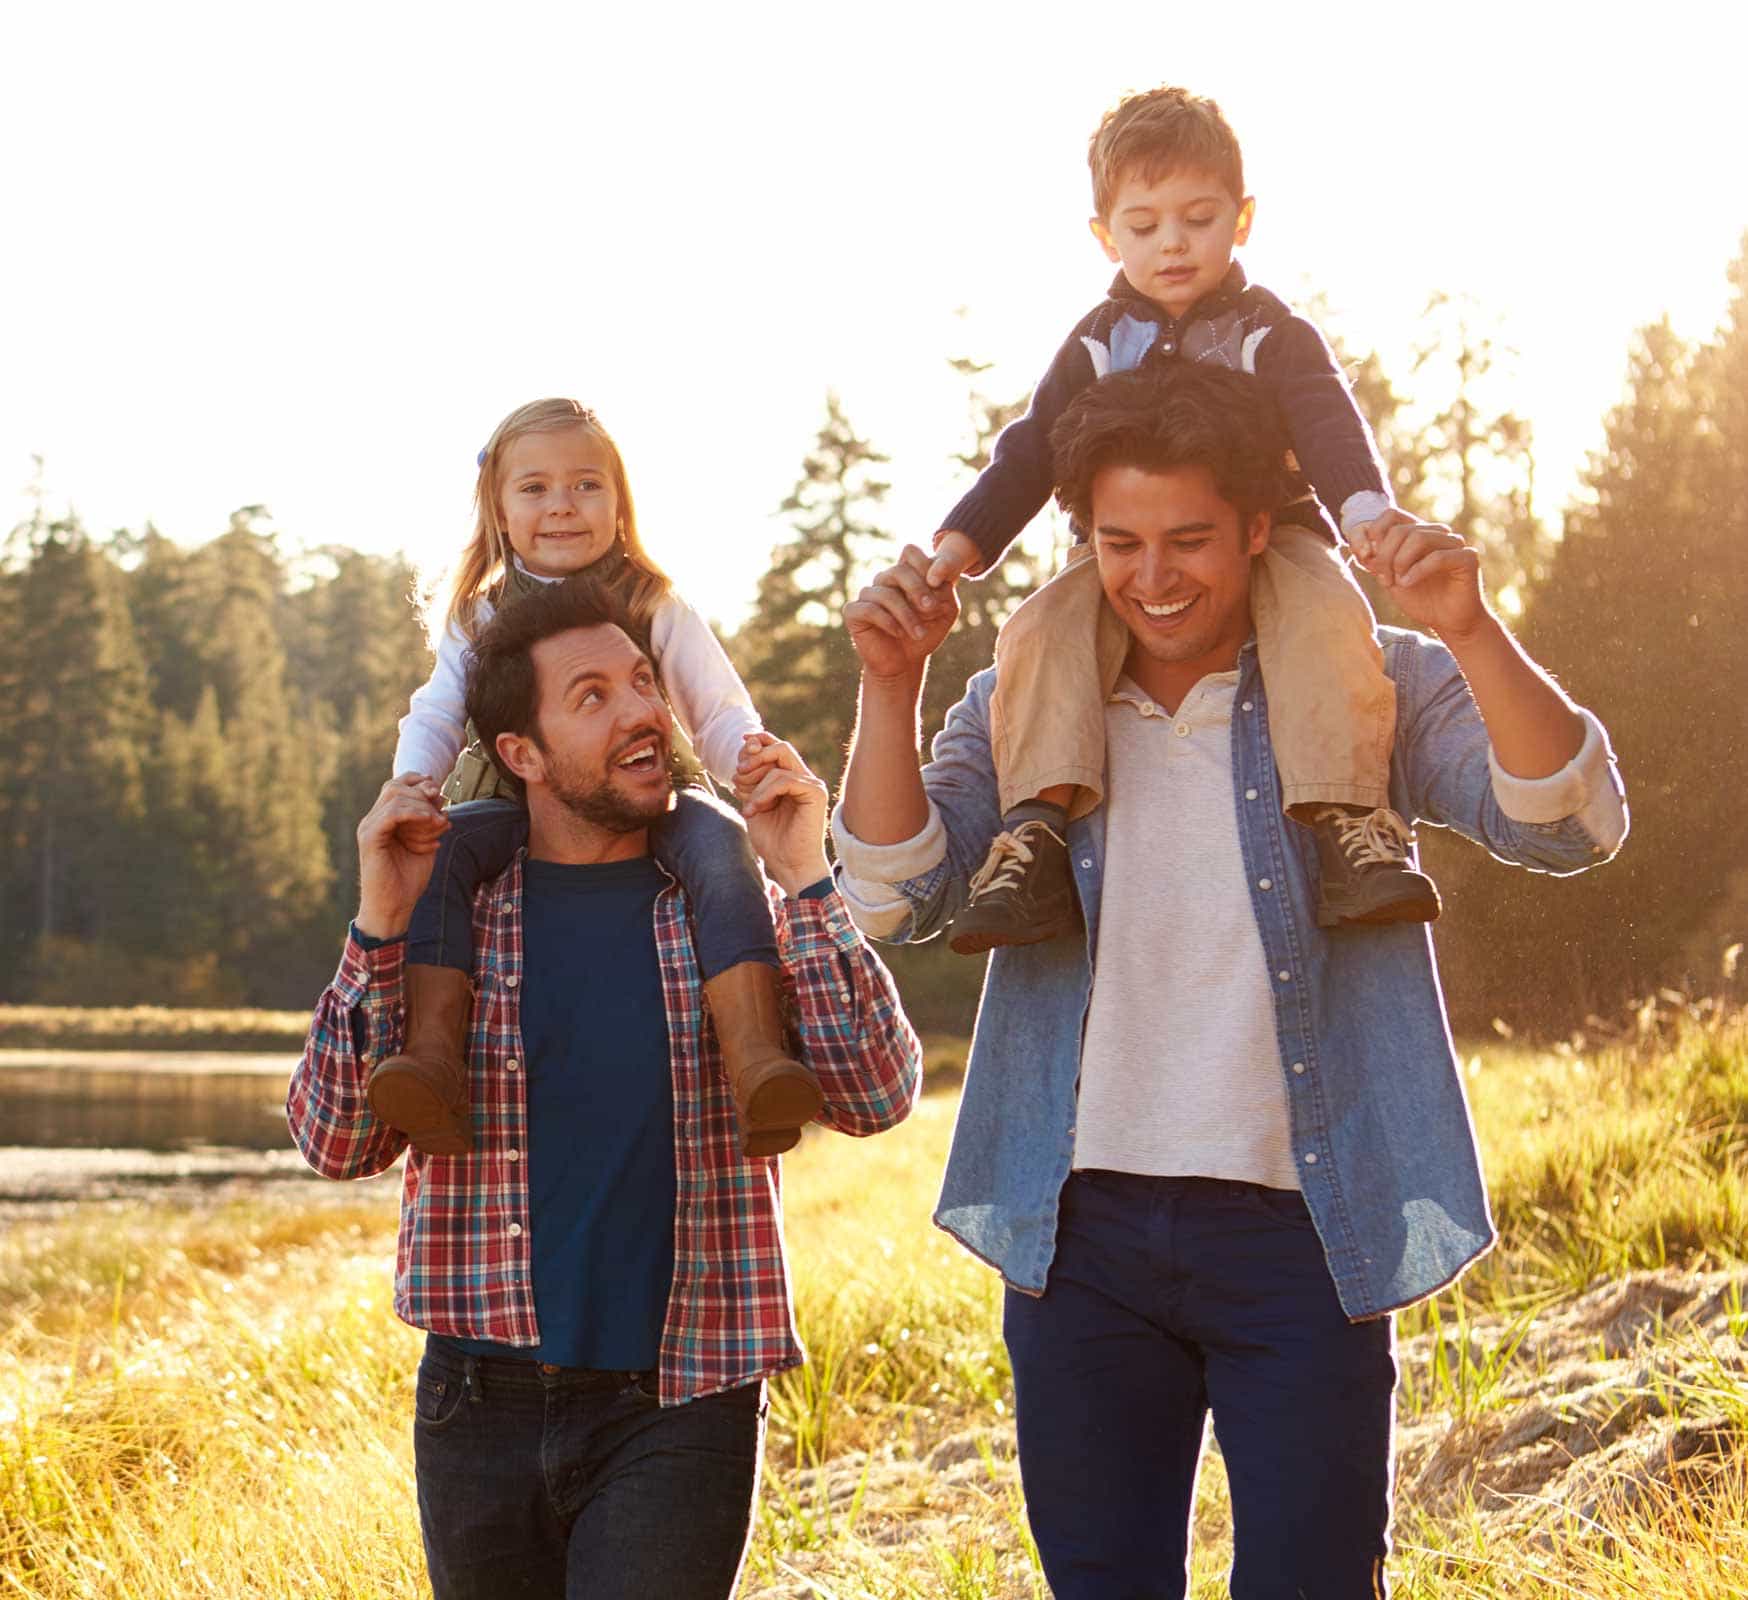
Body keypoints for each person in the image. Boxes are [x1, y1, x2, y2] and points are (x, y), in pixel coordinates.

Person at [833, 364, 1627, 1597]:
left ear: (1259, 527)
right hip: (1079, 1228)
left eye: (1190, 540)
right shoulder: (1022, 701)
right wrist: (890, 683)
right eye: (1119, 542)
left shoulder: (1360, 680)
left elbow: (1565, 823)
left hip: (1303, 1229)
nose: (1153, 578)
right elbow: (893, 893)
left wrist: (1469, 626)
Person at [288, 575, 921, 1600]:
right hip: (475, 1402)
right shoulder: (459, 916)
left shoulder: (720, 909)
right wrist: (375, 923)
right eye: (591, 696)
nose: (641, 712)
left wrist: (805, 873)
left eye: (640, 682)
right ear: (520, 754)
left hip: (678, 1403)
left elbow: (877, 1093)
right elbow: (331, 1142)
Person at [925, 85, 1440, 955]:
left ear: (1241, 220)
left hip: (1276, 535)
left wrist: (1364, 509)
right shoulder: (1096, 343)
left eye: (1197, 219)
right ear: (1105, 235)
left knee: (1326, 613)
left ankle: (1349, 821)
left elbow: (1324, 419)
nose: (1172, 244)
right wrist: (959, 544)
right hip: (1127, 550)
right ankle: (1037, 835)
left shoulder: (1266, 331)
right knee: (1041, 627)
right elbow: (1031, 449)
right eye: (1144, 225)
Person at [379, 398, 822, 1159]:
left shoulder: (652, 600)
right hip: (503, 799)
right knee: (445, 855)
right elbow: (438, 711)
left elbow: (714, 705)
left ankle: (755, 1060)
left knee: (720, 845)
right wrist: (413, 786)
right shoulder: (479, 615)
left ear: (620, 503)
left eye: (586, 485)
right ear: (499, 510)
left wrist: (747, 759)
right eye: (535, 489)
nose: (562, 506)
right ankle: (431, 1058)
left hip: (646, 796)